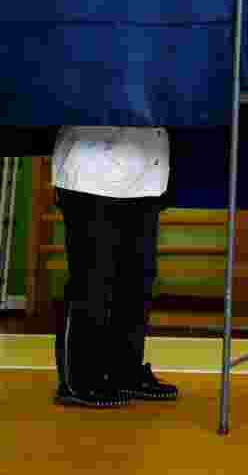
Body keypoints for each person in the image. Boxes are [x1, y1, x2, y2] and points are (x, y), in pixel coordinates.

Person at [52, 126, 179, 408]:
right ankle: (78, 380)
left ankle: (125, 372)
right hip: (91, 169)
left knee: (137, 280)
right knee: (92, 279)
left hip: (148, 172)